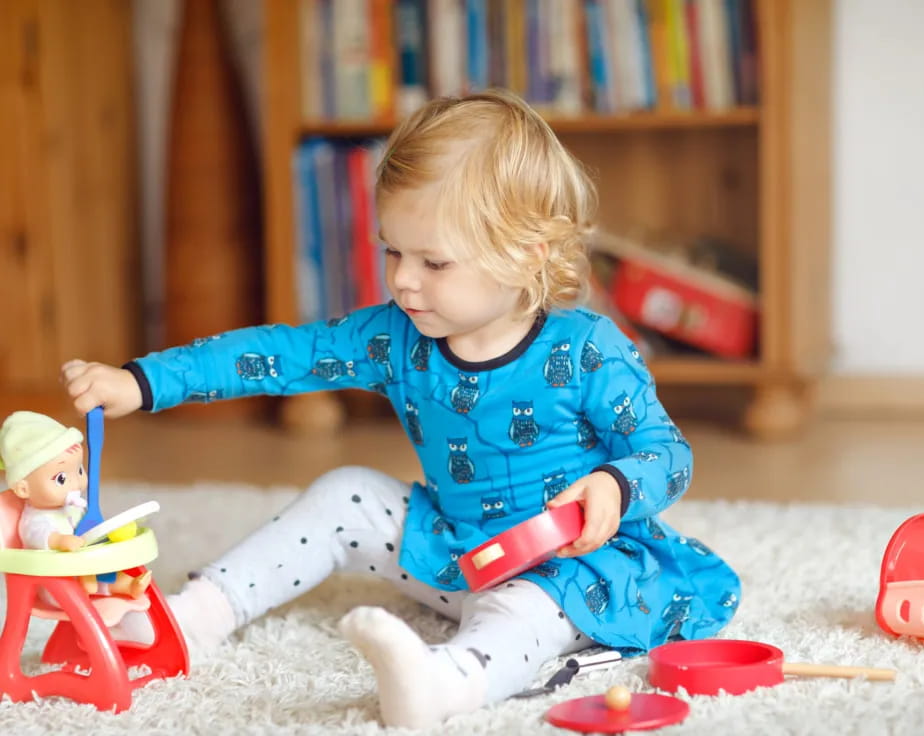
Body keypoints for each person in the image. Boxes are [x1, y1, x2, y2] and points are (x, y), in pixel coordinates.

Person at [60, 90, 740, 728]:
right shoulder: (395, 337)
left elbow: (667, 455)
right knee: (346, 492)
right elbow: (277, 355)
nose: (403, 279)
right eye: (393, 251)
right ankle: (189, 620)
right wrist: (142, 382)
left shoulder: (588, 350)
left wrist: (615, 488)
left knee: (525, 612)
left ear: (525, 256)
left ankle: (444, 683)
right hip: (455, 548)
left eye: (434, 263)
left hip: (573, 570)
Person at [0, 410, 151, 598]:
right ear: (24, 489)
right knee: (89, 577)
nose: (76, 483)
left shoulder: (74, 507)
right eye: (61, 478)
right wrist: (59, 541)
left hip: (83, 568)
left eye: (79, 470)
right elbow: (37, 536)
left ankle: (128, 585)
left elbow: (90, 528)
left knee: (110, 574)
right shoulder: (36, 518)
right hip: (54, 583)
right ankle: (94, 583)